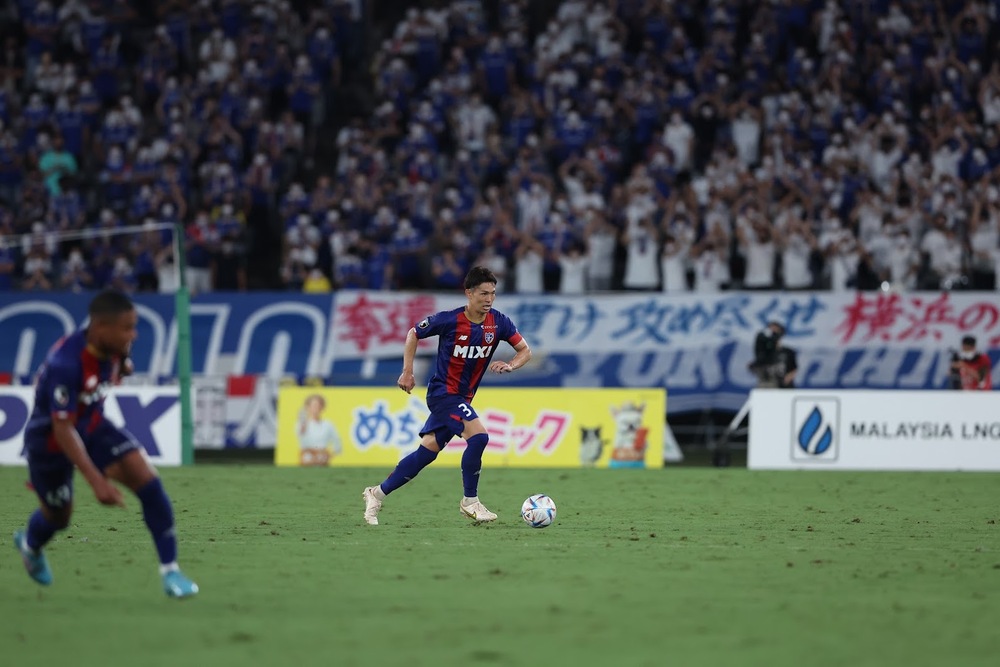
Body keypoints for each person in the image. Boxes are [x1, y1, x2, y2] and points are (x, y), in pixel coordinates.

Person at [12, 290, 198, 598]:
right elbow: (62, 428)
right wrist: (96, 481)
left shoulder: (113, 347)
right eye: (127, 328)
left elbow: (121, 365)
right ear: (100, 328)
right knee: (59, 516)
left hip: (94, 426)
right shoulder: (65, 363)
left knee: (150, 485)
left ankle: (171, 572)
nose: (133, 334)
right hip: (52, 443)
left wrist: (123, 365)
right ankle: (30, 545)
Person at [362, 266, 532, 525]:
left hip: (463, 399)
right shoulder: (449, 320)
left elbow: (525, 351)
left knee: (426, 452)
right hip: (443, 394)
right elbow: (414, 333)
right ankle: (470, 502)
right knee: (479, 437)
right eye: (483, 293)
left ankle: (376, 494)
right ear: (469, 293)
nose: (489, 299)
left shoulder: (499, 322)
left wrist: (511, 365)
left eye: (493, 294)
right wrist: (407, 371)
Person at [296, 394, 341, 466]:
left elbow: (337, 441)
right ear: (307, 407)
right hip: (307, 457)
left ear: (322, 407)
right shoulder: (302, 423)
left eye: (318, 405)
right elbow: (301, 435)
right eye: (313, 405)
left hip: (322, 457)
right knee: (307, 458)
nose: (315, 408)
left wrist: (330, 455)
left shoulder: (328, 424)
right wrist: (303, 422)